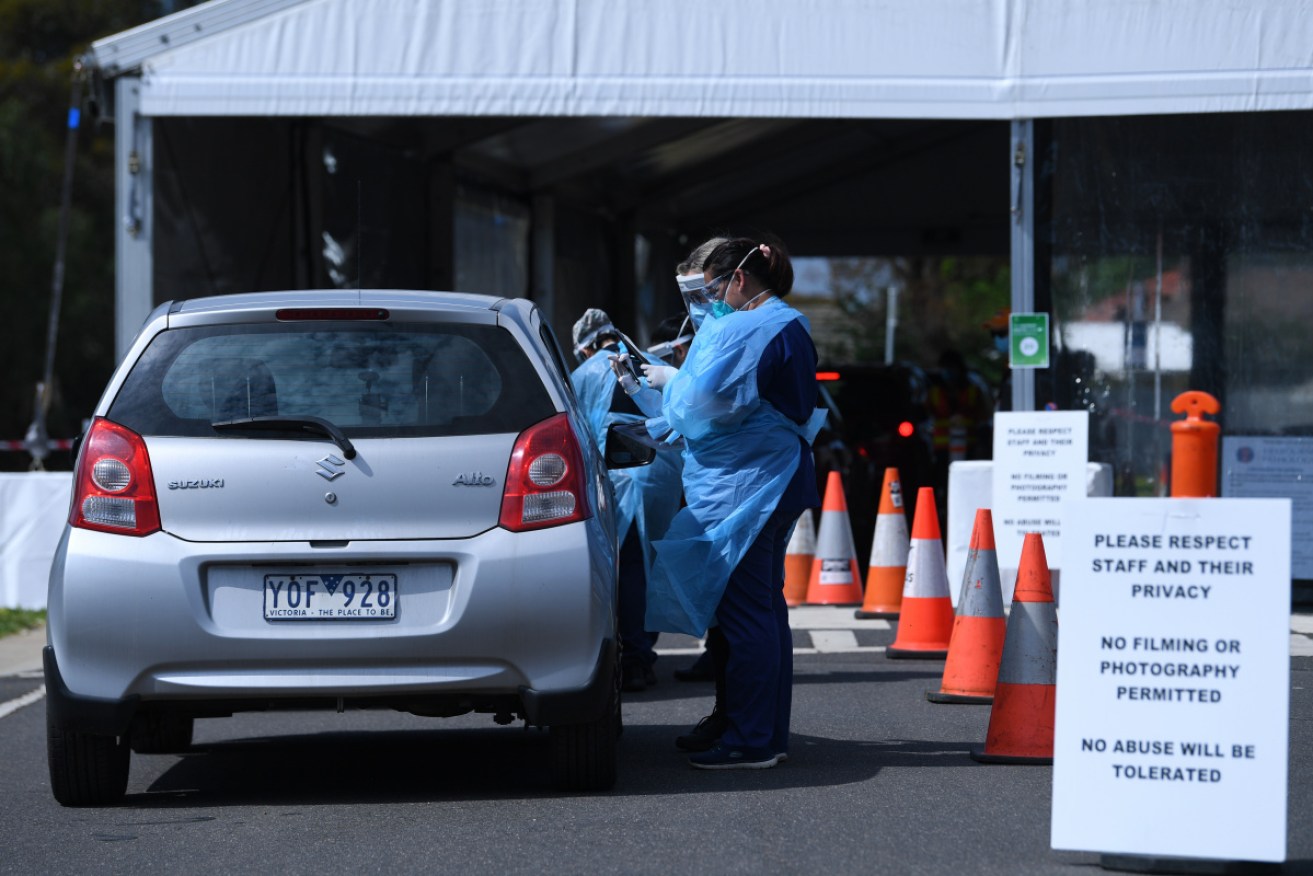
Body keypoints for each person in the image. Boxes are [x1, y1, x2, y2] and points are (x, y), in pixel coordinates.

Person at [640, 236, 825, 770]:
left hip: (749, 486)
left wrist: (669, 386)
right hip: (764, 477)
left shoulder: (748, 327)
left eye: (710, 288)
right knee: (754, 609)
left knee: (745, 614)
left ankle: (751, 737)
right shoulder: (785, 323)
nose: (706, 302)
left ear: (740, 279)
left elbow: (698, 406)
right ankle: (747, 723)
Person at [570, 309, 683, 692]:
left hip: (619, 479)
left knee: (625, 567)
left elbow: (574, 430)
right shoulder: (651, 362)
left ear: (585, 349)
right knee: (647, 566)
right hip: (661, 478)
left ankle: (633, 657)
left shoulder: (584, 374)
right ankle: (641, 650)